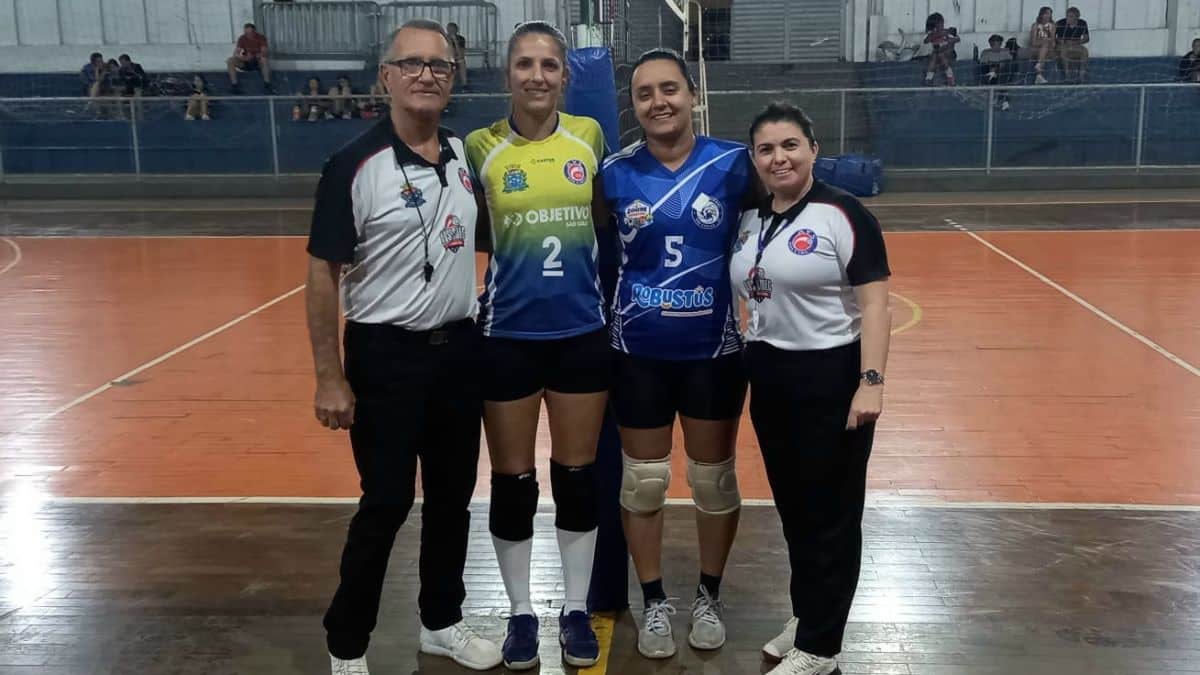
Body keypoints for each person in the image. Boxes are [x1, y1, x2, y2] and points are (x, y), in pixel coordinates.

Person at [307, 19, 502, 675]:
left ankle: (441, 621)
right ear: (385, 77)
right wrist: (329, 376)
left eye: (439, 65)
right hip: (384, 356)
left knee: (451, 499)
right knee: (387, 501)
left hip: (459, 353)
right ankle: (347, 644)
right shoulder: (353, 164)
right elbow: (322, 274)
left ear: (454, 79)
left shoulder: (464, 156)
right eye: (412, 64)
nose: (426, 75)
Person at [463, 20, 607, 671]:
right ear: (508, 74)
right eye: (525, 64)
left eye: (549, 64)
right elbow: (472, 228)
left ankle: (574, 608)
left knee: (576, 478)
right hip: (507, 338)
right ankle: (521, 612)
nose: (537, 75)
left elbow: (601, 218)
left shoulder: (589, 136)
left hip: (580, 333)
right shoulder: (481, 146)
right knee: (513, 482)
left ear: (565, 76)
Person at [600, 48, 753, 659]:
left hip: (714, 351)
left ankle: (709, 595)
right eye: (644, 93)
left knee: (713, 481)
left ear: (692, 94)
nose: (658, 102)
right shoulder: (613, 173)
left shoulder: (735, 164)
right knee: (644, 483)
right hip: (637, 351)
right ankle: (654, 601)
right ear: (633, 105)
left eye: (669, 89)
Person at [729, 102, 891, 675]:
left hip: (832, 377)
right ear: (754, 159)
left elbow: (876, 304)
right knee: (796, 511)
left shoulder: (843, 213)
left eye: (790, 145)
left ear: (813, 150)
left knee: (832, 517)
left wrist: (870, 382)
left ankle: (821, 649)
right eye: (767, 149)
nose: (780, 158)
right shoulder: (750, 217)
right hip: (770, 378)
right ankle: (808, 616)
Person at [227, 22, 273, 93]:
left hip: (257, 62)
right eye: (246, 33)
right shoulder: (242, 38)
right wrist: (243, 58)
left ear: (254, 32)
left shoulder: (261, 38)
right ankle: (234, 85)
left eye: (249, 33)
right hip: (246, 62)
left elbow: (264, 52)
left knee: (264, 60)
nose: (248, 35)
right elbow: (236, 53)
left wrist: (256, 56)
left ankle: (267, 84)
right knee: (230, 61)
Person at [922, 13, 959, 86]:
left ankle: (950, 75)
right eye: (936, 26)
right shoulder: (932, 34)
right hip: (937, 54)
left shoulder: (947, 31)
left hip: (949, 53)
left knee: (940, 54)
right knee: (935, 55)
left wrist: (948, 40)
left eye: (940, 24)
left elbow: (957, 39)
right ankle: (929, 77)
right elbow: (926, 41)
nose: (939, 27)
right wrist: (936, 35)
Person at [979, 34, 1013, 110]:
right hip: (989, 73)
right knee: (992, 72)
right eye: (993, 44)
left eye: (998, 43)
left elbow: (1009, 63)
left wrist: (998, 67)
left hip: (1002, 73)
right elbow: (983, 64)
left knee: (1002, 73)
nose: (995, 46)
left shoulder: (1005, 52)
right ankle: (1004, 100)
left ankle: (1002, 99)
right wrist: (994, 67)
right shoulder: (985, 52)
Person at [1055, 7, 1090, 82]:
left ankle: (1081, 75)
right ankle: (1067, 75)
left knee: (1085, 51)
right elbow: (1053, 37)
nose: (1068, 18)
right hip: (1063, 45)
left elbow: (1086, 38)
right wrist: (1063, 41)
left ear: (1076, 17)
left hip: (1075, 45)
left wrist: (1076, 42)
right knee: (1063, 51)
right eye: (1067, 16)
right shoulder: (1060, 23)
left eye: (1071, 16)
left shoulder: (1082, 23)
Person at [1028, 7, 1056, 84]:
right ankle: (1039, 73)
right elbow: (1033, 42)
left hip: (1048, 49)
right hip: (1036, 48)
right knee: (1044, 46)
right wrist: (1044, 40)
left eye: (1049, 14)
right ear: (1041, 14)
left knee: (1046, 48)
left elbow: (1053, 42)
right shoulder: (1035, 25)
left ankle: (1039, 73)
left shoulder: (1052, 26)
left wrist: (1047, 42)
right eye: (1046, 14)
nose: (1048, 16)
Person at [447, 22, 469, 86]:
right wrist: (450, 42)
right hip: (446, 59)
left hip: (456, 58)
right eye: (449, 30)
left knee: (461, 61)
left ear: (456, 30)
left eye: (453, 30)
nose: (451, 32)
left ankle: (464, 84)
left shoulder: (461, 39)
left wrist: (455, 41)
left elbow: (461, 53)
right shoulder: (443, 38)